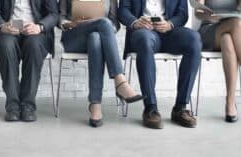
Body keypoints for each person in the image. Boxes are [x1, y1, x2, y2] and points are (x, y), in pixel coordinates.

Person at [59, 0, 144, 127]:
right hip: (74, 37)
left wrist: (105, 29)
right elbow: (60, 16)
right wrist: (70, 23)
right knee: (104, 22)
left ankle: (95, 104)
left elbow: (115, 23)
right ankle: (120, 81)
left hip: (99, 37)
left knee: (96, 38)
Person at [118, 0, 202, 129]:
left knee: (194, 39)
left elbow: (183, 13)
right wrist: (135, 22)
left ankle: (180, 107)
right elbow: (123, 11)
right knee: (145, 40)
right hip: (143, 32)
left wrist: (170, 24)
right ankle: (150, 108)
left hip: (170, 33)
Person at [0, 0, 59, 122]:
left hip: (35, 30)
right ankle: (12, 106)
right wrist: (2, 26)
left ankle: (28, 106)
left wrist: (39, 27)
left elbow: (54, 14)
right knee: (6, 46)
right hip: (9, 31)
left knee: (34, 46)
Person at [196, 0, 241, 123]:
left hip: (234, 33)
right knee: (236, 23)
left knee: (227, 39)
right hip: (209, 30)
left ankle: (230, 102)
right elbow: (197, 13)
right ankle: (230, 102)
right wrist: (207, 15)